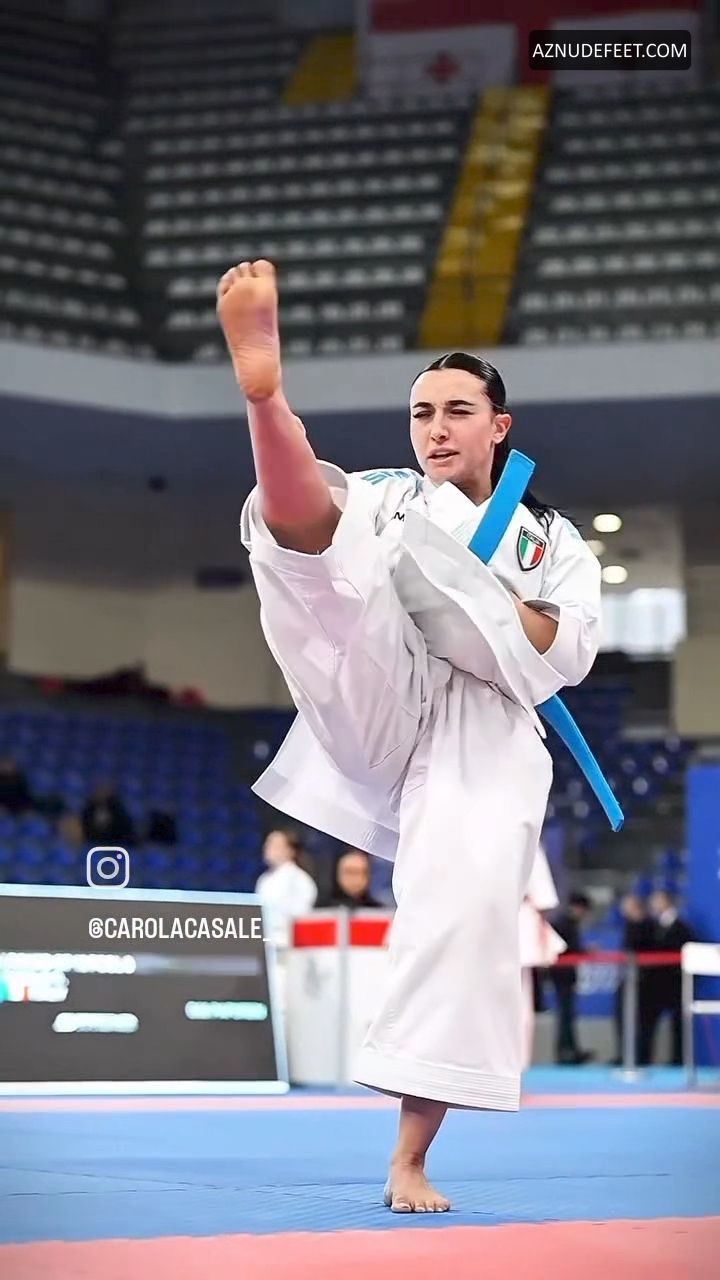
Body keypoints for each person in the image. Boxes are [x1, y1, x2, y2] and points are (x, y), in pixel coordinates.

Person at [219, 259, 601, 1212]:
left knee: (459, 919)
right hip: (380, 681)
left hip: (489, 721)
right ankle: (267, 402)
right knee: (327, 566)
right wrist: (267, 405)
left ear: (498, 425)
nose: (436, 428)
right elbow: (309, 526)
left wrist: (479, 597)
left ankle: (409, 1158)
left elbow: (570, 648)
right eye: (422, 412)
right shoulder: (391, 492)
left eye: (457, 411)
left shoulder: (551, 538)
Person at [519, 843, 566, 1069]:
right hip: (506, 920)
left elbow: (544, 898)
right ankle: (516, 1063)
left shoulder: (530, 844)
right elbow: (545, 898)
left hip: (516, 921)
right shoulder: (529, 842)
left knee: (518, 998)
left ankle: (517, 1062)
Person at [638, 889, 693, 1066]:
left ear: (665, 901)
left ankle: (678, 1060)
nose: (653, 904)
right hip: (654, 985)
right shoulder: (652, 926)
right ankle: (643, 1059)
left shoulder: (681, 928)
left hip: (674, 985)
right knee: (648, 1023)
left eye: (656, 900)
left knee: (678, 1025)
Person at [548, 892, 594, 1065]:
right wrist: (585, 951)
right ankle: (566, 1052)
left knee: (568, 1014)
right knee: (566, 1014)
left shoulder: (566, 923)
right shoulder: (564, 924)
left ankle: (570, 1050)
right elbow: (567, 949)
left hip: (565, 975)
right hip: (562, 975)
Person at [255, 828, 318, 948]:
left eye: (275, 845)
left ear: (290, 851)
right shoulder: (264, 879)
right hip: (266, 941)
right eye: (268, 844)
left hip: (287, 943)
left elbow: (303, 913)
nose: (268, 848)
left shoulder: (300, 879)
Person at [612, 892, 654, 1066]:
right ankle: (625, 1055)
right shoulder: (630, 925)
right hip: (627, 979)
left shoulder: (647, 925)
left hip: (643, 983)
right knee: (622, 1017)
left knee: (640, 1022)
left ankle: (639, 1057)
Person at [319, 848, 383, 910]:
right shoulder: (320, 910)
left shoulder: (380, 911)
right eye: (350, 872)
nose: (356, 879)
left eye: (363, 872)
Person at [81, 781, 135, 848]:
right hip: (93, 845)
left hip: (115, 845)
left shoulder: (118, 810)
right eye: (99, 789)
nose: (101, 793)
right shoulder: (88, 810)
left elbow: (125, 831)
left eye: (103, 789)